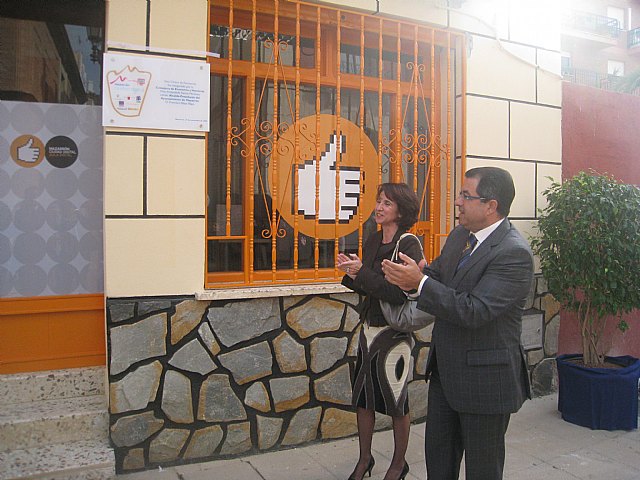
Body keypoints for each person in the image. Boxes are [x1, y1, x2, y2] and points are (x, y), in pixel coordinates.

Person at [381, 167, 534, 480]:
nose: (457, 202)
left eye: (466, 196)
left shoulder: (513, 253)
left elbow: (474, 310)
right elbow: (438, 275)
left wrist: (421, 283)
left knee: (482, 470)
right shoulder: (460, 235)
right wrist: (412, 278)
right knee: (439, 464)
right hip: (446, 375)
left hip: (485, 382)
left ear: (491, 205)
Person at [337, 183, 423, 480]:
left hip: (395, 333)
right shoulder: (373, 240)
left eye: (386, 203)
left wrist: (362, 273)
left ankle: (398, 464)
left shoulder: (409, 244)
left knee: (396, 400)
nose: (379, 207)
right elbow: (369, 284)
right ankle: (364, 460)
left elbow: (399, 293)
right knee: (363, 398)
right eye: (378, 201)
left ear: (401, 210)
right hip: (369, 328)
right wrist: (352, 273)